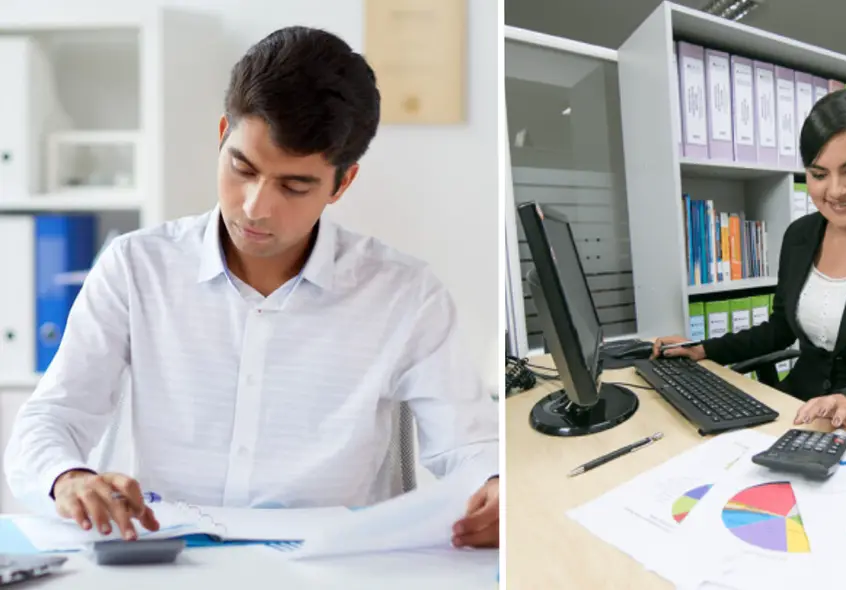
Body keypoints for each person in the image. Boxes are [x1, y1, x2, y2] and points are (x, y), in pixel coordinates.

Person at [4, 26, 499, 549]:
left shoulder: (406, 294)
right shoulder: (136, 267)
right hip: (174, 563)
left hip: (336, 569)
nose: (256, 207)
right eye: (242, 167)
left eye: (294, 185)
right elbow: (51, 419)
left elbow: (472, 445)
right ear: (223, 134)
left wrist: (493, 486)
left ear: (342, 183)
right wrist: (67, 478)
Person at [654, 89, 846, 437]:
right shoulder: (799, 236)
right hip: (796, 407)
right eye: (819, 174)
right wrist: (703, 348)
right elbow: (779, 329)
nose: (836, 191)